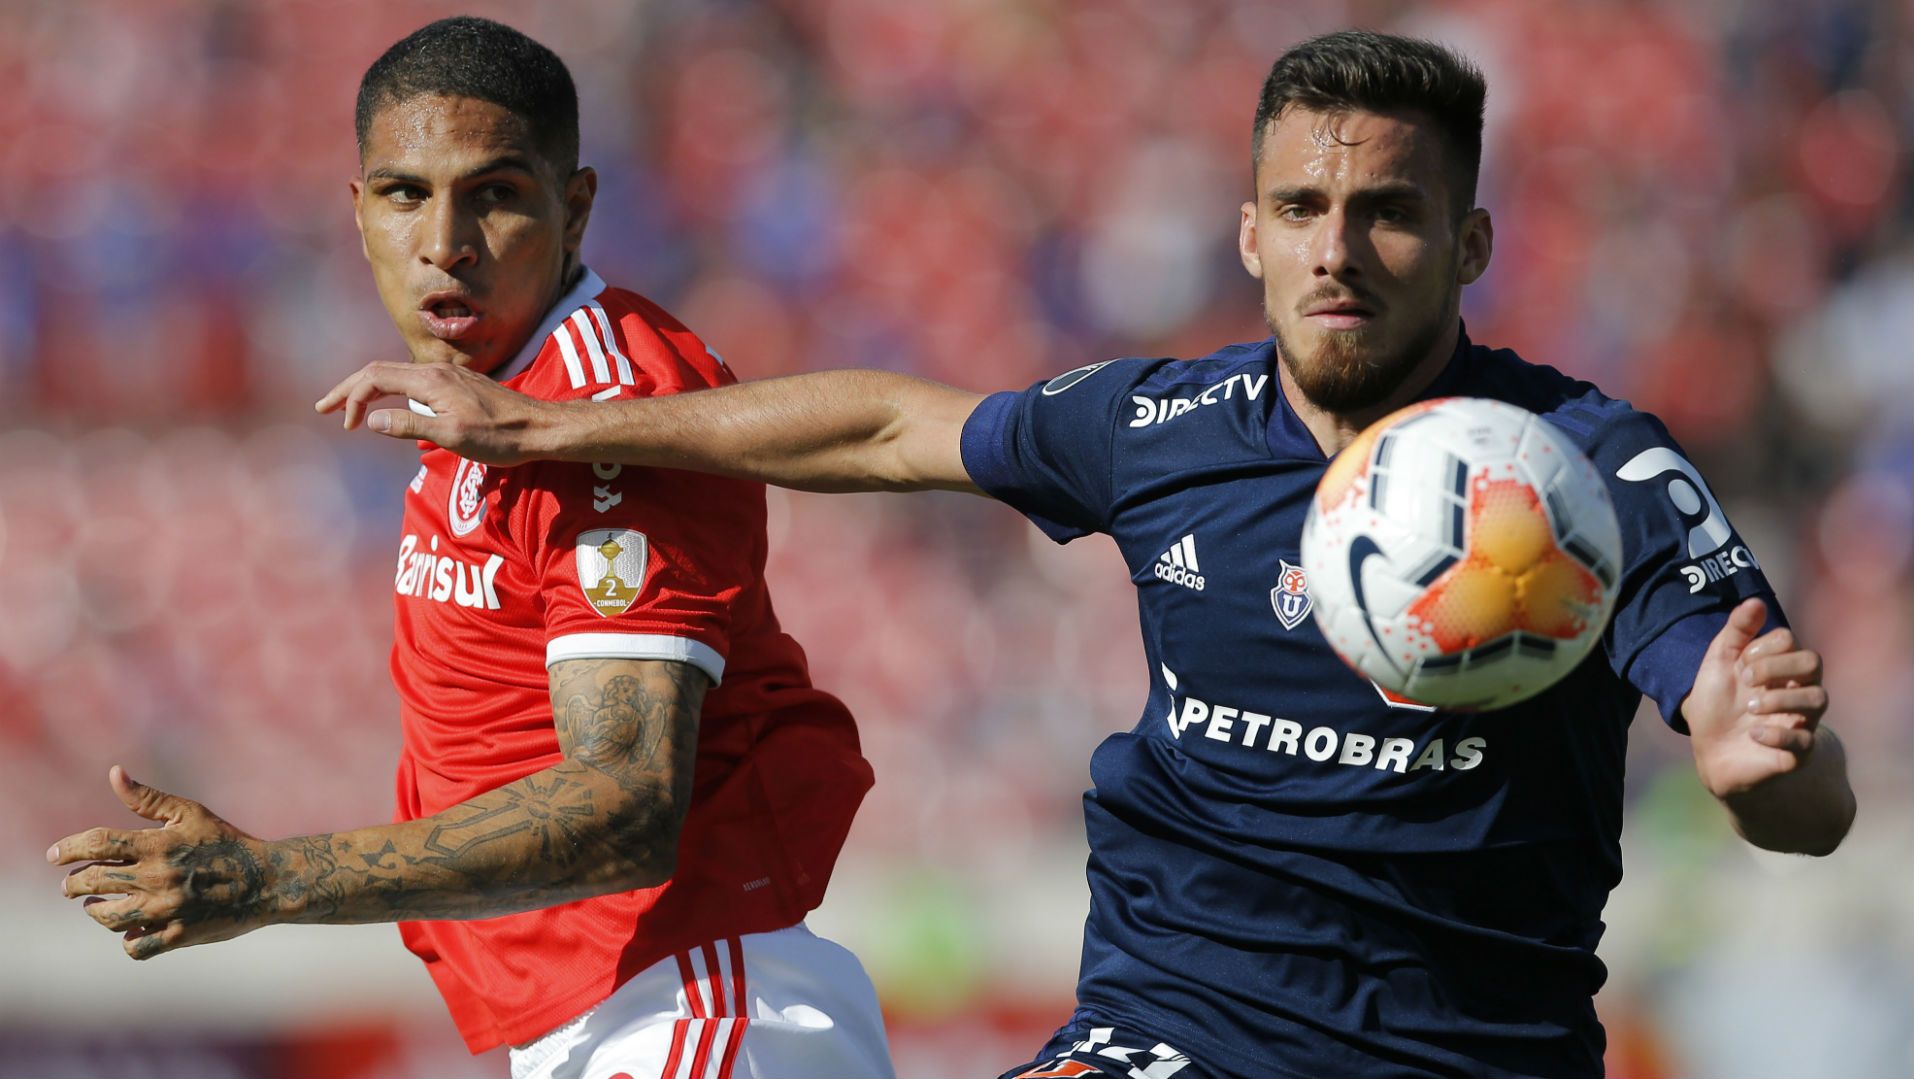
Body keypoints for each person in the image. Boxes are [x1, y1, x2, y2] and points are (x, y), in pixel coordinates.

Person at [317, 29, 1856, 1079]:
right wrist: (558, 426)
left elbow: (1801, 795)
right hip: (1172, 1026)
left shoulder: (1581, 470)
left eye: (1387, 213)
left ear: (1468, 243)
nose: (1336, 250)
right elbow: (884, 431)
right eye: (1302, 207)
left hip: (1469, 1048)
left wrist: (1752, 756)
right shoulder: (1164, 424)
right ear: (1247, 232)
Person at [50, 17, 895, 1079]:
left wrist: (270, 880)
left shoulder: (604, 411)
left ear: (575, 207)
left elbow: (623, 801)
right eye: (406, 193)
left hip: (691, 1008)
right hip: (600, 1014)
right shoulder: (482, 398)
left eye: (493, 193)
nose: (445, 241)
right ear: (358, 214)